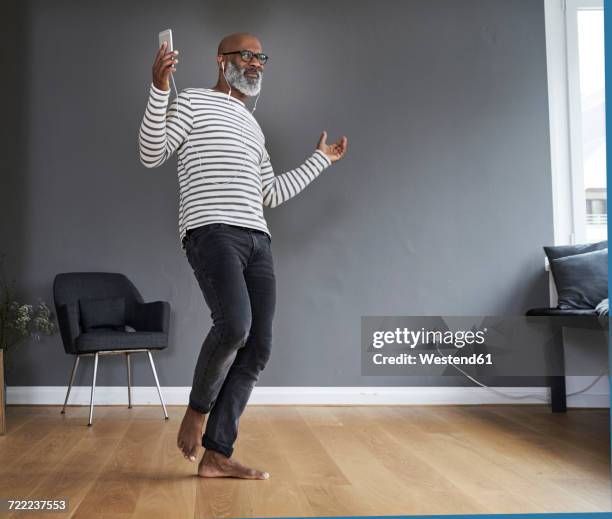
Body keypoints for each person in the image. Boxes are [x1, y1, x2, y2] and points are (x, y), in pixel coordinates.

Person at [138, 32, 348, 479]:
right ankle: (198, 411)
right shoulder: (191, 101)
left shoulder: (253, 125)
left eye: (262, 58)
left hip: (258, 239)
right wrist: (159, 90)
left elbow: (270, 193)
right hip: (211, 230)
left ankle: (217, 454)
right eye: (247, 55)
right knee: (234, 325)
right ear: (222, 60)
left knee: (258, 348)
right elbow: (151, 152)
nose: (256, 63)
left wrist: (320, 161)